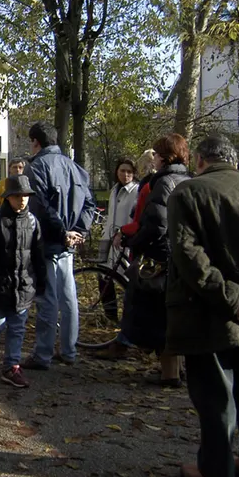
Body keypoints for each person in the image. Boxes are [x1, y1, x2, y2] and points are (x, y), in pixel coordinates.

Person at [165, 135, 239, 477]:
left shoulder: (188, 193)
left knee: (215, 393)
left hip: (207, 311)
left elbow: (190, 257)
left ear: (200, 160)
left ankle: (217, 470)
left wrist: (232, 297)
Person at [21, 122, 96, 370]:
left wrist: (64, 233)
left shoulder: (38, 167)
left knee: (48, 299)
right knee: (68, 297)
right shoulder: (75, 167)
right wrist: (79, 232)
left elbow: (41, 207)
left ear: (36, 142)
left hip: (49, 240)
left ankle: (43, 354)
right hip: (68, 241)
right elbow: (89, 204)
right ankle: (69, 350)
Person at [119, 134, 191, 386]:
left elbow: (156, 224)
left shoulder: (164, 182)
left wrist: (134, 242)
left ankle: (169, 374)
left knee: (161, 317)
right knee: (174, 316)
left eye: (157, 155)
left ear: (163, 157)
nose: (155, 160)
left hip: (162, 259)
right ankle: (177, 370)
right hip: (185, 257)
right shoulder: (189, 180)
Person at [0, 175, 46, 388]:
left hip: (23, 286)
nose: (22, 200)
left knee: (17, 327)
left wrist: (42, 284)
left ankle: (11, 366)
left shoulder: (32, 222)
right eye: (17, 195)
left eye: (25, 196)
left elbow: (38, 255)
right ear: (7, 197)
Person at [97, 150, 156, 360]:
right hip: (109, 237)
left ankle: (126, 329)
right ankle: (110, 317)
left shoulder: (137, 190)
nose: (126, 175)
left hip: (124, 240)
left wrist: (125, 234)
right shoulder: (114, 190)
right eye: (122, 171)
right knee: (102, 276)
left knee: (125, 281)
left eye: (130, 172)